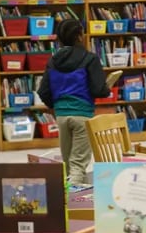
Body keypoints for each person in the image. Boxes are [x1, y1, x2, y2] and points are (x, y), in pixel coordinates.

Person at [37, 19, 110, 185]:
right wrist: (107, 88)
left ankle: (74, 201)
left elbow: (43, 91)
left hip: (61, 117)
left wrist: (57, 106)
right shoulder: (90, 59)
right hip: (82, 115)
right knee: (78, 164)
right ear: (79, 36)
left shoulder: (53, 61)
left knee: (68, 164)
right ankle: (72, 204)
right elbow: (99, 89)